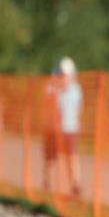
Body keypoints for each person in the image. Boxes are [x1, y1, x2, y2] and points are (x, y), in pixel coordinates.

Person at [43, 57, 83, 198]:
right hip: (53, 130)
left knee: (72, 158)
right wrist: (56, 88)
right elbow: (47, 103)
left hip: (70, 130)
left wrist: (78, 123)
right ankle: (47, 184)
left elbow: (78, 109)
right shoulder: (51, 87)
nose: (64, 77)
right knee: (51, 158)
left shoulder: (76, 89)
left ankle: (75, 185)